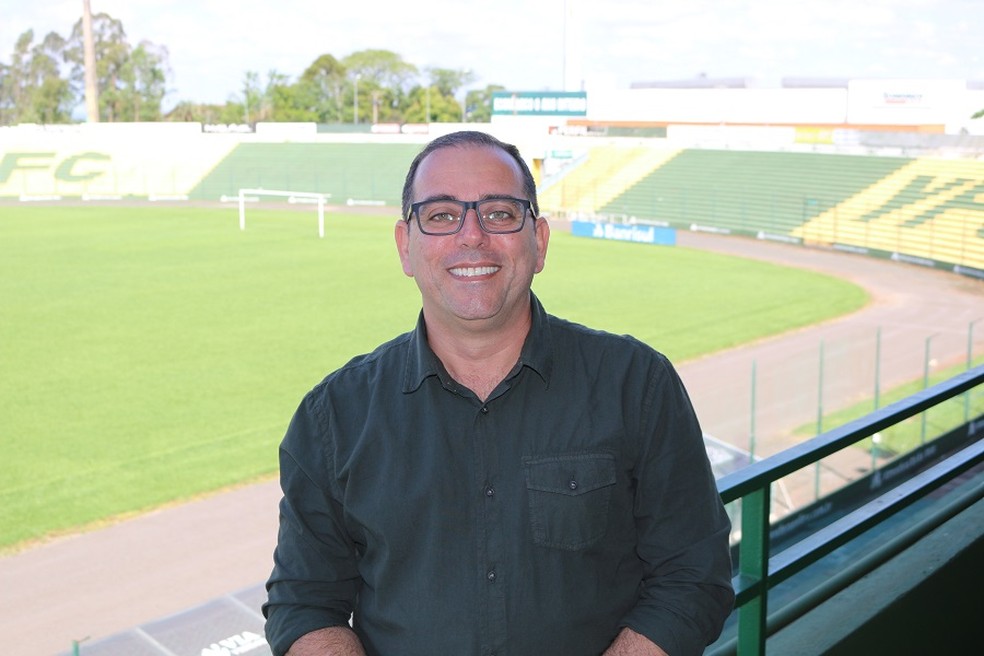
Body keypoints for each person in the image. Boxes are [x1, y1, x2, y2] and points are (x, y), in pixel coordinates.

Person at [263, 130, 734, 656]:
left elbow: (694, 577)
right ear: (405, 246)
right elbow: (304, 604)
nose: (472, 237)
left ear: (540, 242)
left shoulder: (637, 384)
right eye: (442, 215)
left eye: (500, 213)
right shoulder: (333, 416)